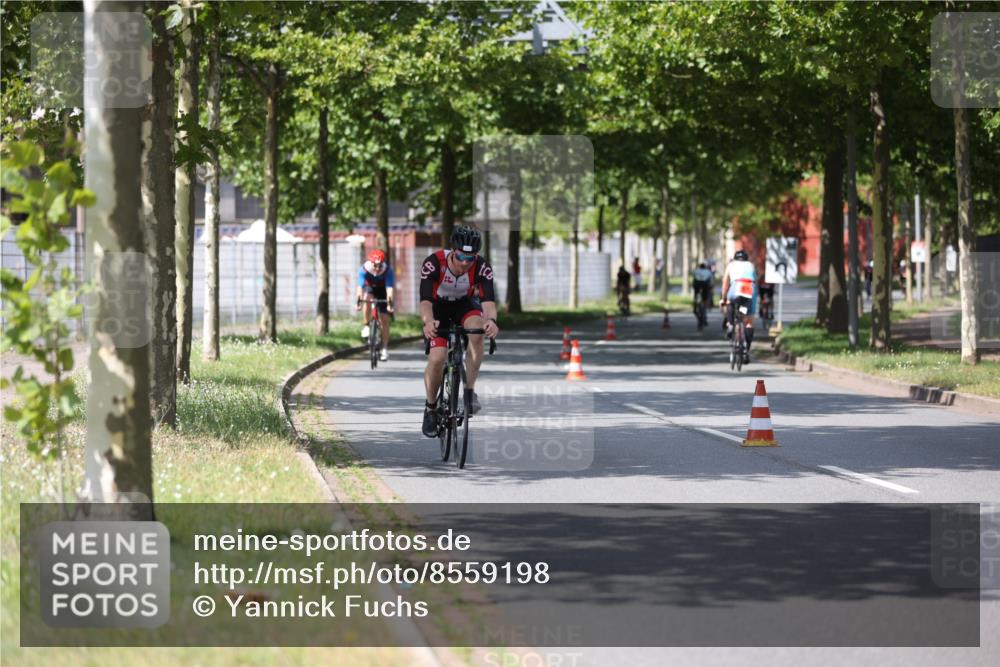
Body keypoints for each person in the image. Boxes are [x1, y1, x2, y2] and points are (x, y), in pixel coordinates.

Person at [420, 225, 499, 438]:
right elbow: (425, 301)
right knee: (437, 358)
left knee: (477, 331)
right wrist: (428, 322)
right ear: (453, 251)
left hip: (464, 305)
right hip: (437, 307)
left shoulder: (482, 267)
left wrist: (491, 321)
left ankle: (469, 391)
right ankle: (431, 408)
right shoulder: (434, 263)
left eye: (470, 258)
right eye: (461, 257)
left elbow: (488, 303)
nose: (465, 263)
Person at [356, 249, 395, 361]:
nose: (377, 268)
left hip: (383, 291)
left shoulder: (387, 270)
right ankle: (366, 325)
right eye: (375, 265)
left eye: (380, 265)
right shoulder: (364, 269)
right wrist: (358, 302)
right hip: (370, 288)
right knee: (366, 299)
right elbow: (360, 287)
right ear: (370, 263)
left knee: (385, 320)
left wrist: (390, 304)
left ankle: (384, 348)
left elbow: (389, 289)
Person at [720, 249, 758, 363]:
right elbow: (755, 280)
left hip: (736, 286)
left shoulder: (731, 265)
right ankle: (746, 350)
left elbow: (725, 282)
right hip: (749, 288)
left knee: (730, 302)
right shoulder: (751, 265)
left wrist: (723, 298)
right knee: (749, 322)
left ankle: (730, 324)